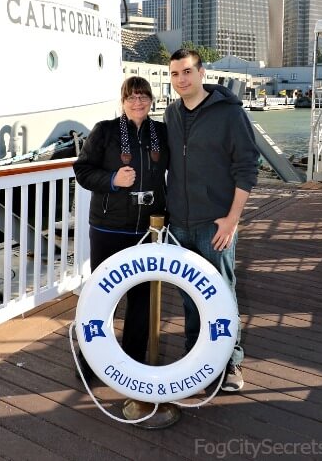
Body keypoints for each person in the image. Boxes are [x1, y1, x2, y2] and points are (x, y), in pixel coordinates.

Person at [165, 48, 259, 392]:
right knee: (190, 294)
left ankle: (230, 363)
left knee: (221, 294)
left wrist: (232, 220)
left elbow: (247, 168)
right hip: (179, 223)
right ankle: (196, 355)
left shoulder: (229, 114)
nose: (181, 80)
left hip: (215, 223)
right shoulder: (172, 113)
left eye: (187, 72)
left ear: (202, 73)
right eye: (175, 74)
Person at [73, 76, 168, 377]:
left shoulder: (162, 132)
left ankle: (132, 360)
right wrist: (113, 180)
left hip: (148, 228)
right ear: (123, 101)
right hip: (109, 227)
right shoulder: (105, 130)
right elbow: (83, 171)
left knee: (142, 297)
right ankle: (91, 358)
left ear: (151, 99)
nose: (138, 101)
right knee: (103, 295)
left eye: (143, 96)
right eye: (131, 96)